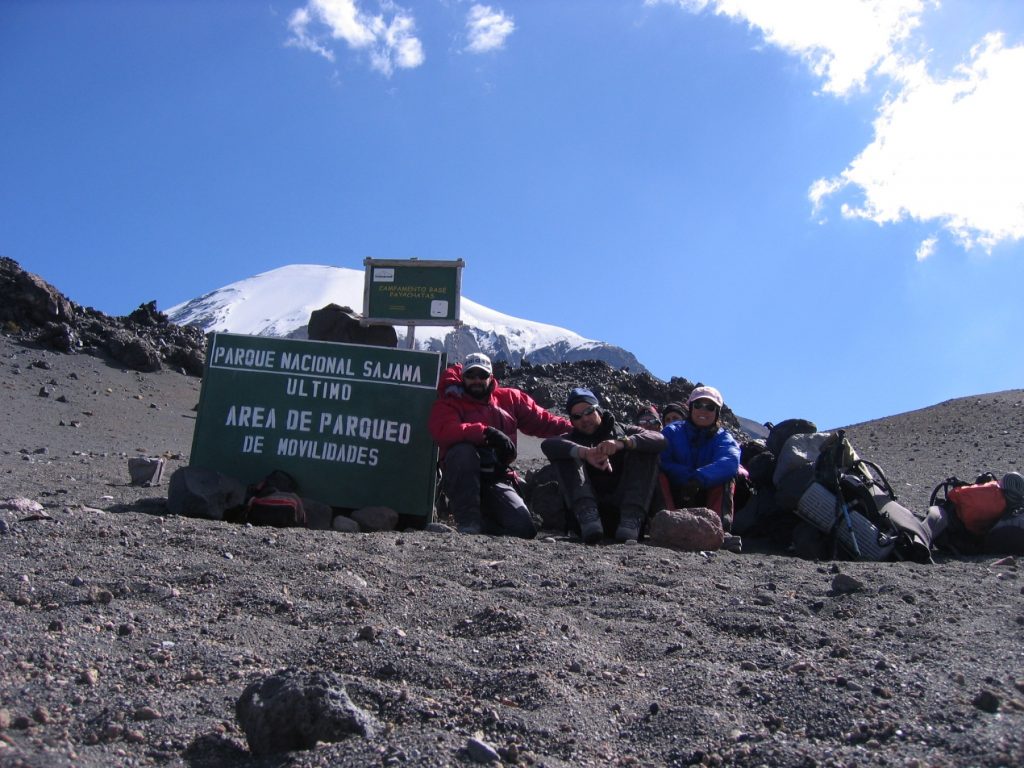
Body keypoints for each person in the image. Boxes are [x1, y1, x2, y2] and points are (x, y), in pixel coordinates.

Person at [428, 352, 571, 538]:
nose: (476, 380)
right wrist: (485, 433)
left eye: (482, 375)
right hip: (460, 477)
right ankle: (468, 522)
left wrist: (580, 427)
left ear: (491, 377)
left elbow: (545, 421)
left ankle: (485, 519)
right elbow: (443, 430)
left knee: (523, 529)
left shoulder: (510, 399)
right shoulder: (450, 401)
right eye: (471, 375)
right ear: (463, 377)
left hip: (496, 477)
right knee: (462, 451)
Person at [542, 388, 666, 544]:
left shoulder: (623, 430)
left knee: (644, 449)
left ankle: (632, 517)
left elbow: (659, 438)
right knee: (566, 453)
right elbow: (548, 445)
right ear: (572, 421)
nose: (584, 419)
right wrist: (586, 453)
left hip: (625, 518)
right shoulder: (571, 438)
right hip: (587, 525)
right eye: (577, 416)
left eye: (588, 411)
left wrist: (622, 443)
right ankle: (587, 514)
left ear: (598, 410)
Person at [660, 385, 741, 531]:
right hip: (677, 489)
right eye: (698, 405)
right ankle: (667, 523)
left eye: (710, 407)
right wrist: (686, 477)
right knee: (658, 474)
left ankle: (717, 530)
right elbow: (662, 459)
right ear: (690, 408)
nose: (703, 410)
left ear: (717, 413)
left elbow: (730, 462)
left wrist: (699, 479)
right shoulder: (672, 431)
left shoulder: (723, 438)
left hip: (704, 491)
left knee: (727, 478)